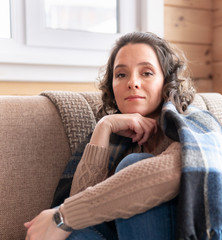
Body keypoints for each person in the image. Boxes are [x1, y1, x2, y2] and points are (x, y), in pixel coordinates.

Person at [24, 31, 195, 240]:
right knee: (78, 235)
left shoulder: (189, 126)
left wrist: (63, 215)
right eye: (121, 74)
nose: (132, 82)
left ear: (166, 81)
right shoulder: (115, 137)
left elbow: (173, 173)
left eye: (147, 73)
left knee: (134, 163)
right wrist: (103, 128)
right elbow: (78, 217)